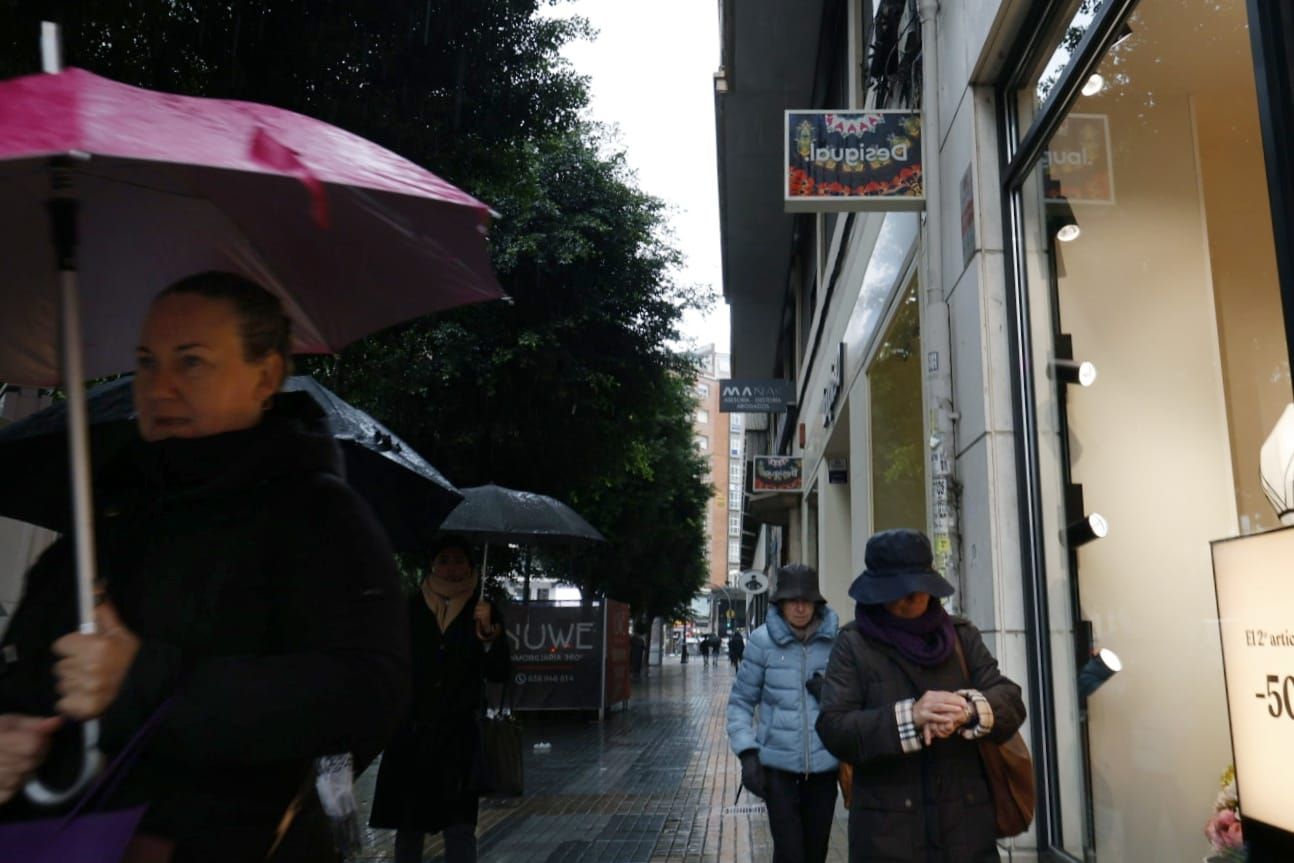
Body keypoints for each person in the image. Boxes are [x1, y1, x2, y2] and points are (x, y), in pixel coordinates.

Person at [0, 271, 409, 861]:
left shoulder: (317, 515)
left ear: (265, 376)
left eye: (191, 362)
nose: (159, 387)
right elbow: (26, 668)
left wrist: (145, 680)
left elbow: (368, 693)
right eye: (146, 361)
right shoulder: (108, 513)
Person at [815, 528, 1027, 863]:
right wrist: (909, 718)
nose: (909, 598)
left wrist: (969, 711)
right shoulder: (853, 644)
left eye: (917, 587)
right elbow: (834, 727)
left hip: (967, 831)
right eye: (896, 590)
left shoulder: (961, 636)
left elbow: (1010, 700)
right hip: (885, 836)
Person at [369, 535, 511, 863]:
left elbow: (499, 673)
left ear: (471, 565)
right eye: (444, 560)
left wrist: (489, 636)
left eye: (459, 560)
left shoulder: (483, 610)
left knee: (460, 829)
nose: (451, 568)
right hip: (412, 737)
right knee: (409, 828)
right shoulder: (409, 608)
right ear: (432, 565)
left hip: (457, 741)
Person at [726, 564, 840, 863]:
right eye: (793, 601)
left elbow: (854, 702)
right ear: (781, 603)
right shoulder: (762, 642)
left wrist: (830, 693)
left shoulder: (836, 642)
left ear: (817, 603)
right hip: (778, 771)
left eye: (807, 600)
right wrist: (747, 753)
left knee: (816, 854)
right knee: (790, 854)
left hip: (825, 770)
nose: (800, 607)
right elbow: (740, 702)